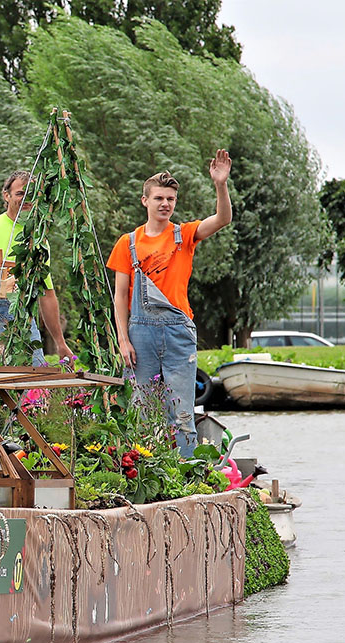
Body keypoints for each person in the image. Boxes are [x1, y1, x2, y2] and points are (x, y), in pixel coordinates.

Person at [107, 150, 233, 457]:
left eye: (171, 199)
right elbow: (120, 295)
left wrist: (220, 184)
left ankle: (186, 480)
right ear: (145, 201)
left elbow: (223, 219)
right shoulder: (129, 243)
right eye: (159, 198)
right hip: (140, 335)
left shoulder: (184, 235)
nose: (165, 204)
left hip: (178, 334)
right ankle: (144, 474)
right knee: (141, 413)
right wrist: (122, 340)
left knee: (182, 415)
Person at [0, 171, 74, 365]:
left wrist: (60, 342)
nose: (27, 200)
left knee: (34, 380)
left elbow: (47, 294)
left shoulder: (39, 241)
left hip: (24, 317)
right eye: (20, 194)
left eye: (32, 195)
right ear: (6, 195)